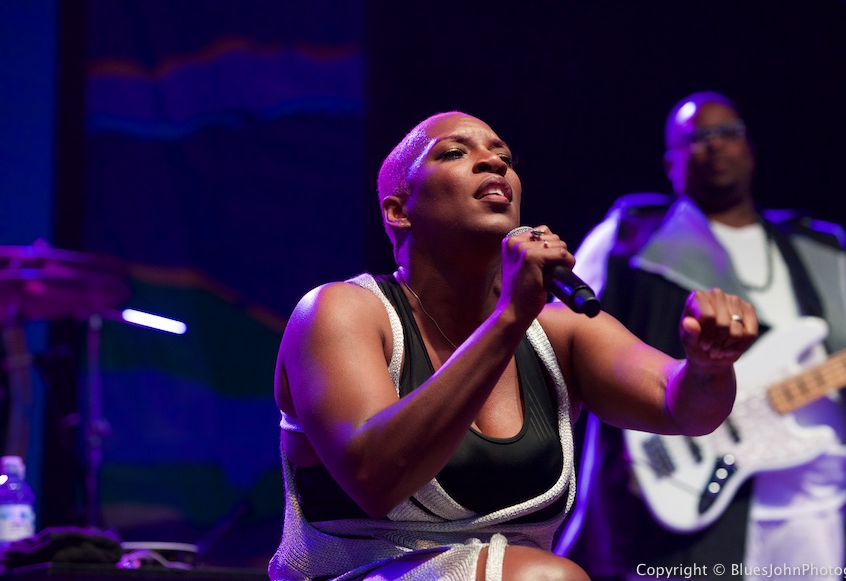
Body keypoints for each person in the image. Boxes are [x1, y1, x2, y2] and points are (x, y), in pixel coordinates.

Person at [267, 111, 759, 581]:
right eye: (454, 152)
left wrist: (708, 365)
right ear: (398, 210)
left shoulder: (559, 330)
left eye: (502, 154)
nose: (493, 161)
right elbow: (376, 477)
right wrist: (509, 318)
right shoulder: (340, 312)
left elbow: (684, 408)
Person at [562, 92, 846, 580]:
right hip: (689, 485)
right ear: (671, 162)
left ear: (750, 147)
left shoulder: (817, 247)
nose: (716, 146)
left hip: (812, 487)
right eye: (697, 138)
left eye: (728, 132)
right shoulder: (631, 236)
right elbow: (567, 331)